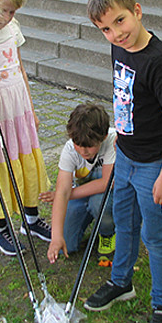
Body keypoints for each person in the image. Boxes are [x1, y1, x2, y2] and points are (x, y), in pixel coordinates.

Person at [83, 0, 162, 323]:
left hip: (154, 164)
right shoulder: (119, 49)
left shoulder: (159, 61)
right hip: (125, 155)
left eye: (120, 22)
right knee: (124, 223)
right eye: (105, 29)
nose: (115, 34)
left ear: (138, 11)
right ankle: (120, 281)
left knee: (155, 236)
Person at [0, 0, 51, 257]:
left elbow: (20, 69)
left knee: (26, 160)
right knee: (1, 165)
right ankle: (0, 228)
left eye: (14, 11)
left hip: (18, 108)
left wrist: (31, 110)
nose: (9, 16)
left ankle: (31, 221)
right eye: (5, 10)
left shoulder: (12, 27)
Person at [42, 102, 117, 267]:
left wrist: (68, 194)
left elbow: (107, 183)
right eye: (78, 144)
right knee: (66, 244)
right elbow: (62, 192)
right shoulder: (69, 149)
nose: (83, 151)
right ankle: (90, 221)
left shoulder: (112, 140)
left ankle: (107, 233)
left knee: (99, 203)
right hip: (83, 190)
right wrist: (56, 237)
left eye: (89, 146)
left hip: (107, 192)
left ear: (103, 137)